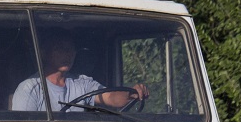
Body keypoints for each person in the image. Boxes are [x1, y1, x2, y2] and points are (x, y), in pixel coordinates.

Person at [11, 33, 148, 112]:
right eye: (60, 49)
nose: (68, 54)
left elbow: (111, 97)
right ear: (44, 53)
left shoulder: (82, 83)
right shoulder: (29, 88)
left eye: (71, 49)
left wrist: (132, 94)